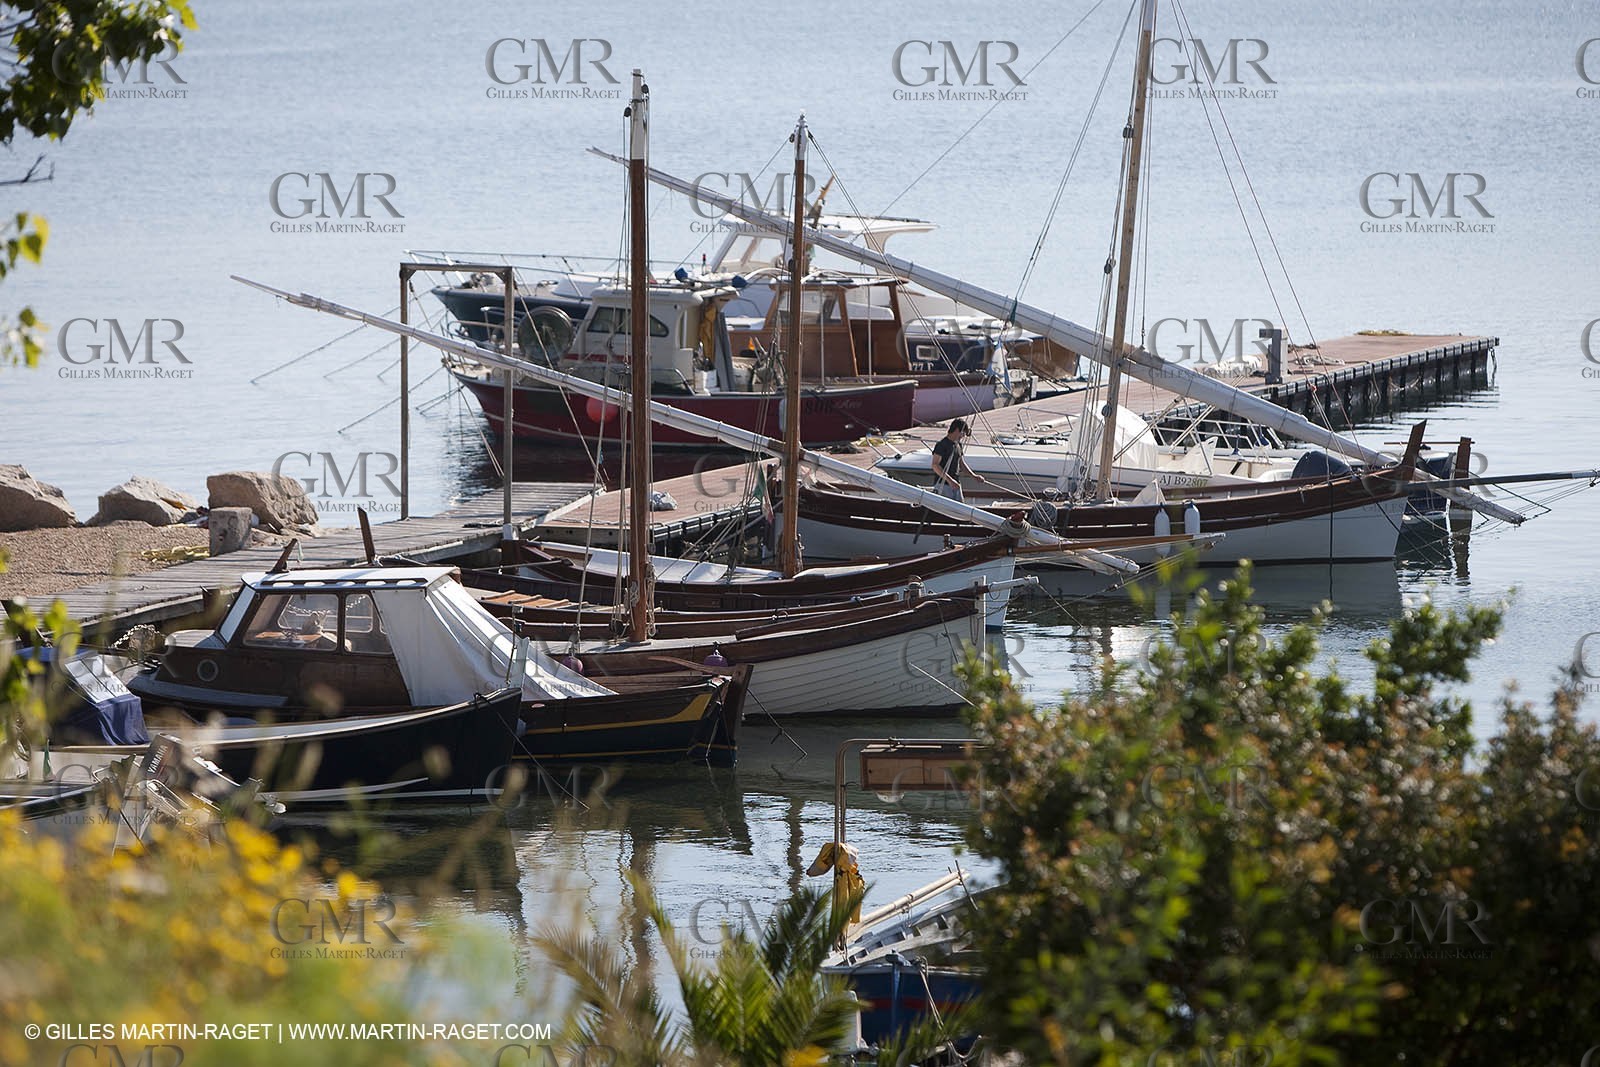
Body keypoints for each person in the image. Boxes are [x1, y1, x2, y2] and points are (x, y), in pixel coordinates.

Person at [931, 418, 972, 501]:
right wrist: (950, 481)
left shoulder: (958, 445)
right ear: (957, 430)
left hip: (956, 484)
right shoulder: (942, 445)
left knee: (960, 509)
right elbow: (935, 465)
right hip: (944, 485)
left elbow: (961, 464)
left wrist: (974, 476)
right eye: (963, 433)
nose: (963, 436)